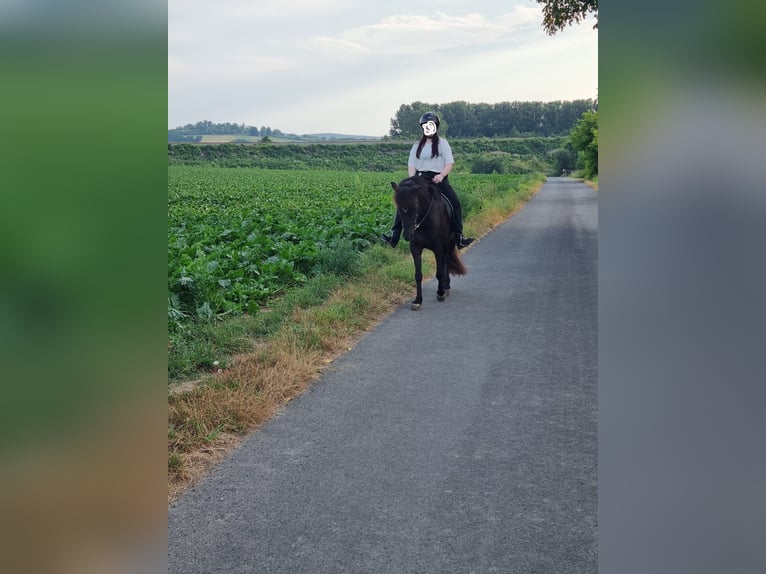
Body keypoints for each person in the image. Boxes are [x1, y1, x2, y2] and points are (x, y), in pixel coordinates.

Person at [381, 111, 474, 249]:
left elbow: (449, 163)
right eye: (425, 125)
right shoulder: (417, 145)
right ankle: (394, 235)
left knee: (455, 203)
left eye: (431, 125)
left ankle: (459, 237)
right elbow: (411, 164)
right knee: (404, 201)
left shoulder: (443, 144)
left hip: (439, 179)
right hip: (420, 179)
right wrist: (413, 179)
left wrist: (441, 175)